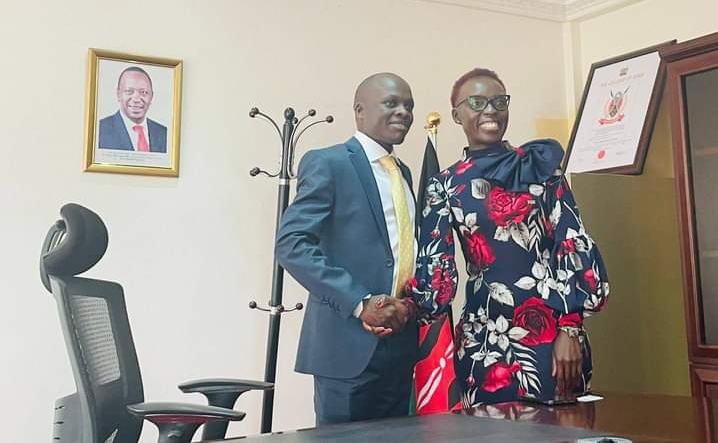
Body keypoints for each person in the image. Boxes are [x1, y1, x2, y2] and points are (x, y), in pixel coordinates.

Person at [409, 68, 609, 406]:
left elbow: (572, 243)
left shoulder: (541, 168)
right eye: (477, 102)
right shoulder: (444, 185)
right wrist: (404, 307)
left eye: (499, 101)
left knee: (561, 432)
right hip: (484, 340)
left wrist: (571, 328)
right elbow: (436, 266)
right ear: (457, 114)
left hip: (553, 336)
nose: (490, 110)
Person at [275, 73, 419, 425]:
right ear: (359, 111)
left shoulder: (403, 172)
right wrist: (360, 303)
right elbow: (291, 243)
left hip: (400, 345)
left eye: (408, 105)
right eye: (391, 103)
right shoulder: (329, 162)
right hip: (346, 346)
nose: (403, 112)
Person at [98, 66, 167, 153]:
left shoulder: (164, 133)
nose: (136, 99)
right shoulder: (100, 130)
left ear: (151, 96)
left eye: (143, 92)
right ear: (118, 94)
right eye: (129, 91)